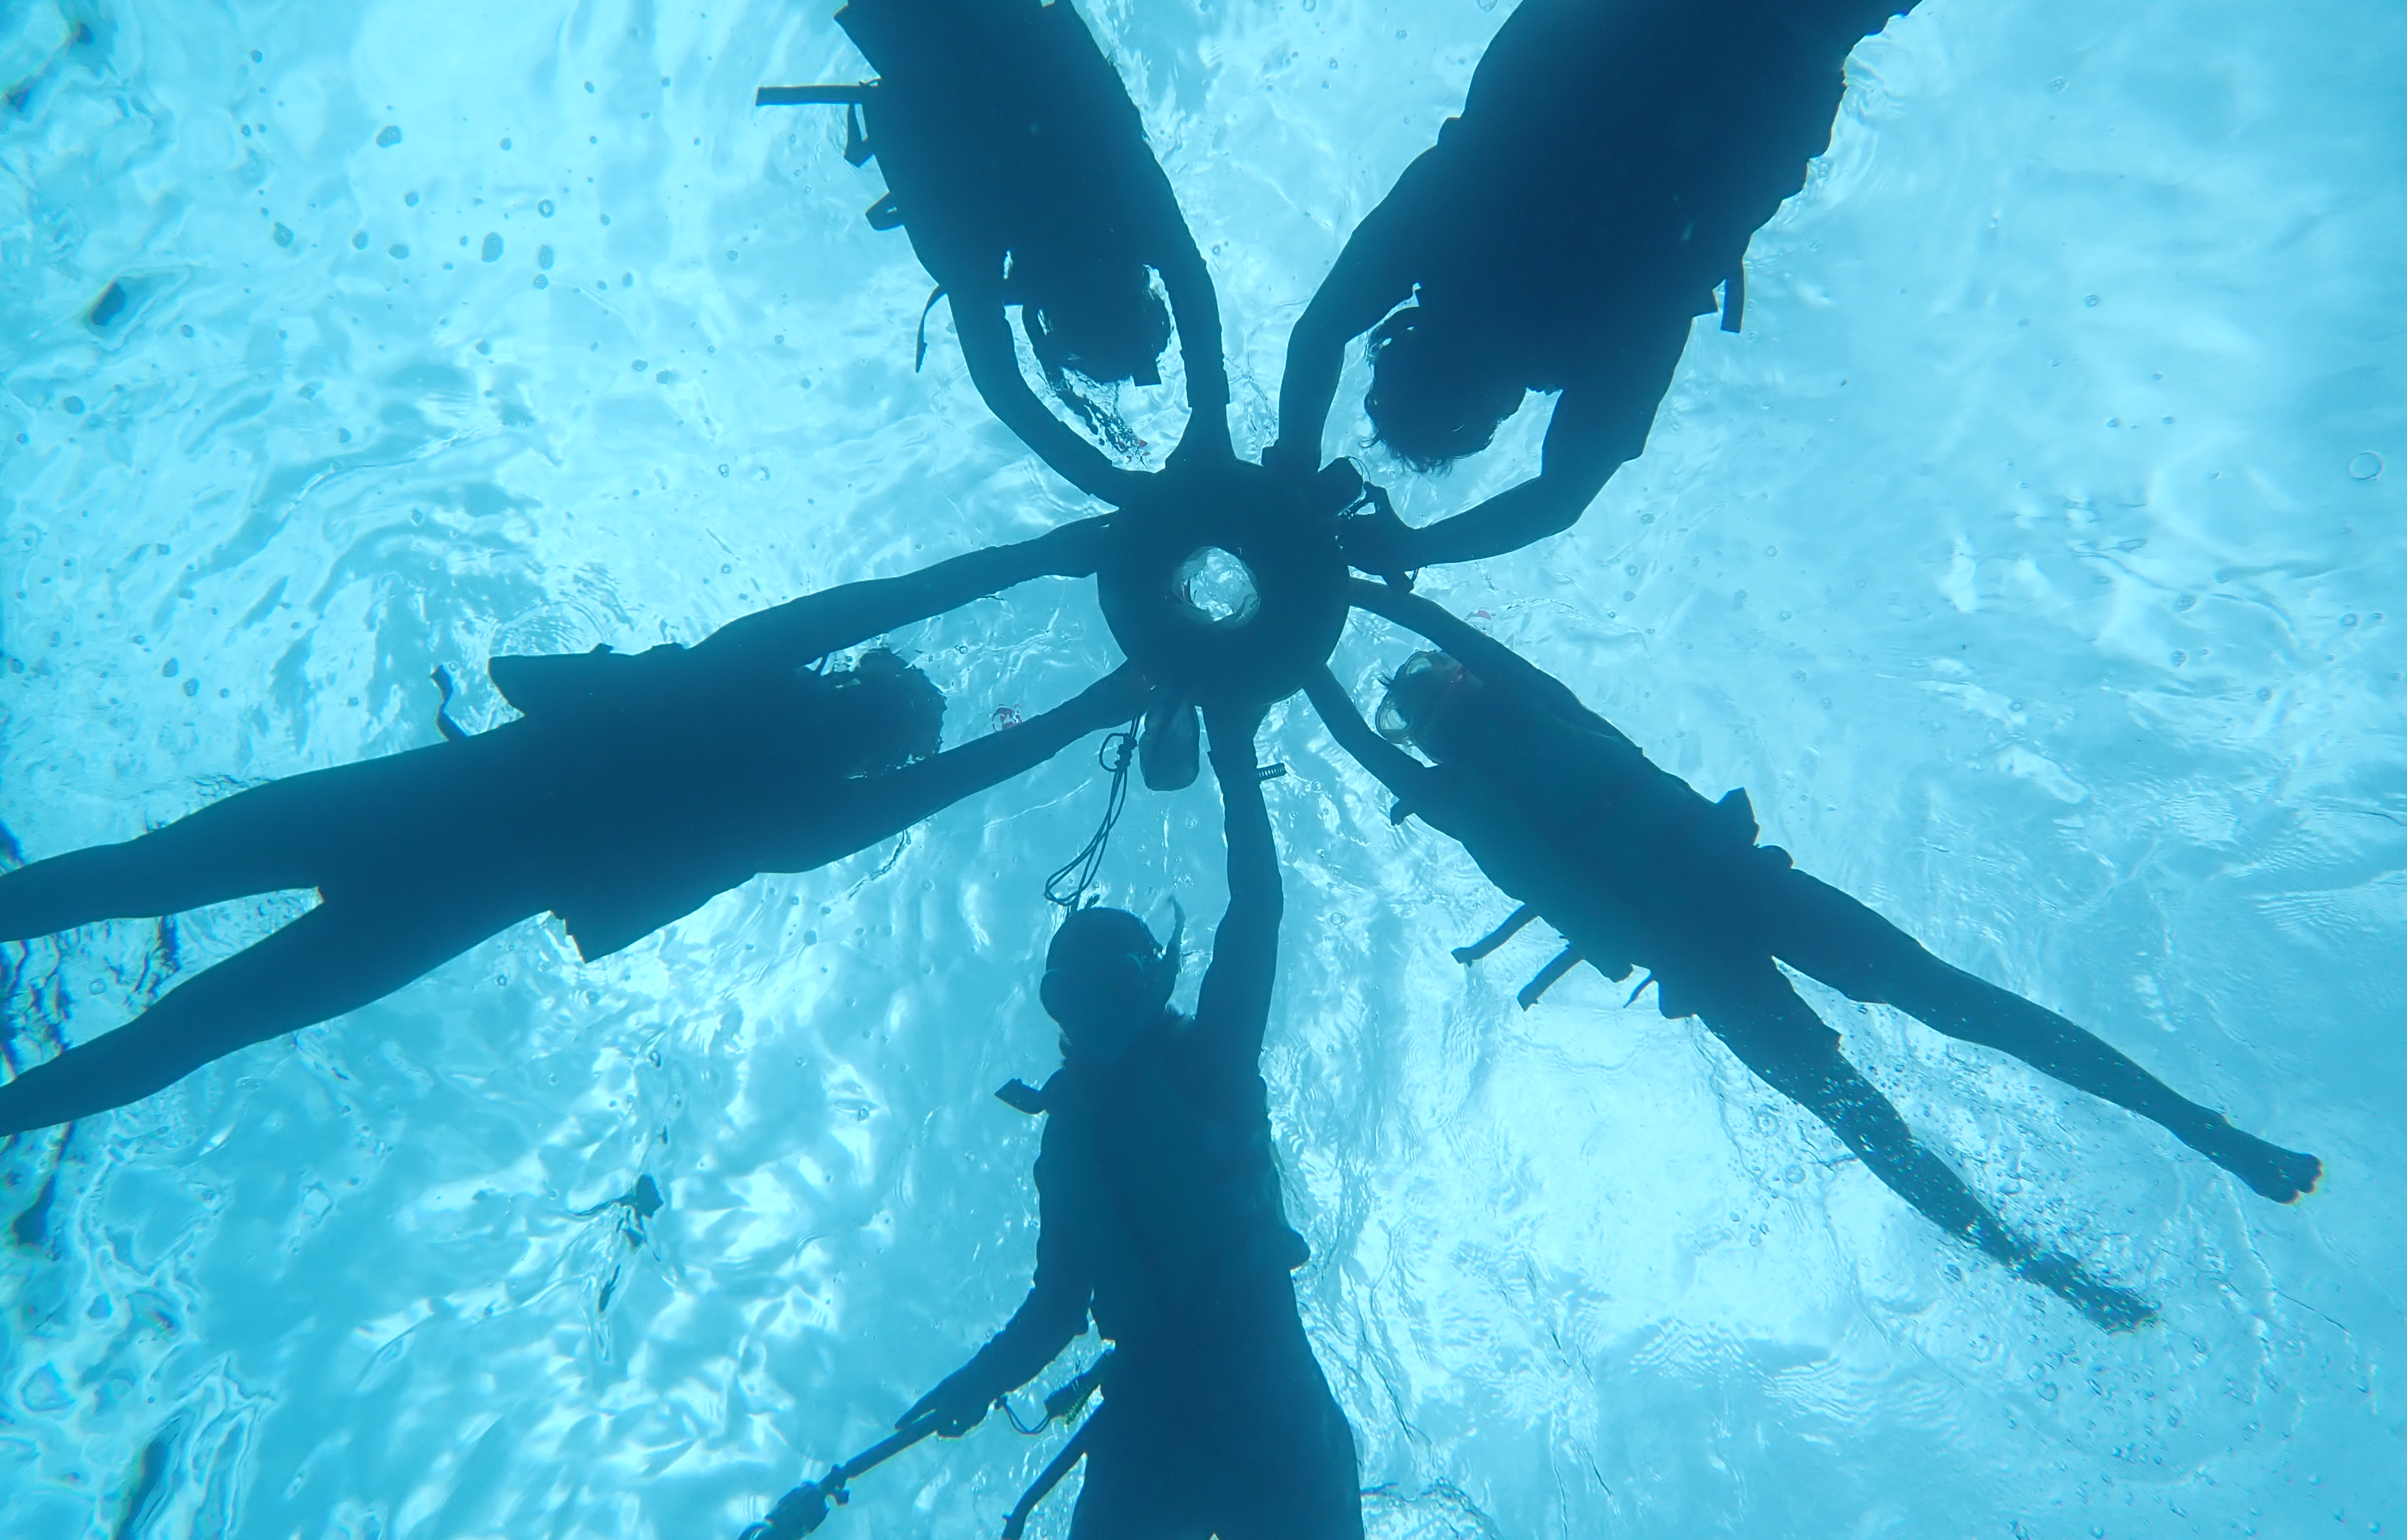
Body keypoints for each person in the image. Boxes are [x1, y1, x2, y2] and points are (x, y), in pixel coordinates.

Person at [1304, 588, 2322, 1332]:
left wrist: (1333, 597)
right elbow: (1368, 729)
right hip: (1721, 921)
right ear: (1448, 709)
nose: (1439, 696)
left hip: (1715, 927)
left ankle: (2175, 1149)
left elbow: (1386, 704)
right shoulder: (1473, 767)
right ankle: (2054, 1266)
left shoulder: (1521, 718)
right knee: (1906, 1067)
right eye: (1431, 695)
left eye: (1434, 685)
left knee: (1917, 1052)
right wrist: (1325, 610)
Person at [1272, 0, 2124, 572]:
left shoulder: (1601, 330)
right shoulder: (1448, 230)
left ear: (1492, 409)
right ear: (1408, 333)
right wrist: (1290, 464)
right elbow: (1320, 331)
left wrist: (1419, 550)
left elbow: (1562, 496)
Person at [0, 523, 1142, 1136]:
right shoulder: (798, 818)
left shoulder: (738, 680)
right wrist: (1092, 705)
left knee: (137, 879)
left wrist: (1049, 553)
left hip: (404, 810)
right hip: (438, 908)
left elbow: (887, 602)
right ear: (871, 751)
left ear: (844, 689)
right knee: (193, 1023)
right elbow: (952, 764)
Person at [897, 702, 1363, 1538]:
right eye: (1073, 995)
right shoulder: (1064, 1142)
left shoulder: (1208, 1063)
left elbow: (1256, 911)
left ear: (1151, 983)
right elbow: (1056, 1305)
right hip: (1154, 1413)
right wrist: (980, 1380)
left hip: (1262, 1391)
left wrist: (1235, 749)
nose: (1095, 1012)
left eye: (1111, 984)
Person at [736, 0, 1228, 502]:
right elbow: (1003, 387)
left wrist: (1208, 424)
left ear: (1138, 291)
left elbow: (1191, 290)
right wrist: (1125, 483)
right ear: (1052, 324)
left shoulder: (1119, 203)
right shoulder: (983, 242)